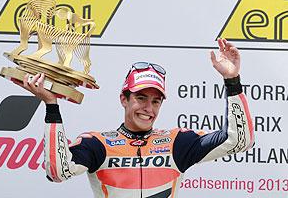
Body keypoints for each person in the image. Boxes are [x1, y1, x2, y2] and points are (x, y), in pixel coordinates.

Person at [17, 38, 254, 198]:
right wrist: (51, 106)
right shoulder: (98, 144)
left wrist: (232, 81)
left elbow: (239, 140)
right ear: (124, 99)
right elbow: (58, 172)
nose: (148, 108)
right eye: (141, 98)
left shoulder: (177, 143)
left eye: (155, 101)